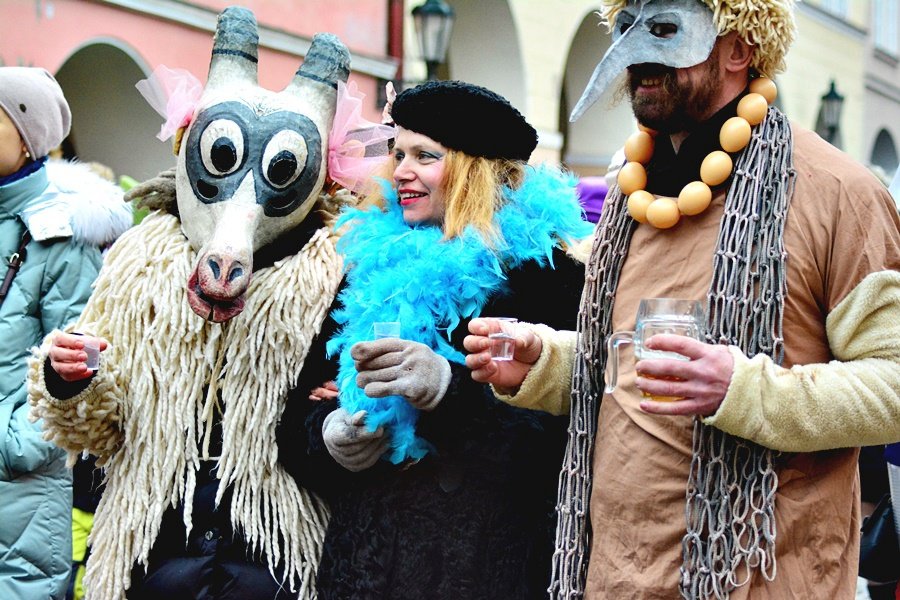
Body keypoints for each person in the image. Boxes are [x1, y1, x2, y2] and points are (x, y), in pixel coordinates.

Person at [464, 1, 900, 598]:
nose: (635, 54)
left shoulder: (840, 192)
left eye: (665, 30)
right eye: (626, 28)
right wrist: (543, 361)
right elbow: (626, 365)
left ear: (738, 51)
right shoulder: (630, 192)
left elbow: (894, 385)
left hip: (758, 577)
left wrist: (743, 391)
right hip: (615, 576)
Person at [27, 10, 369, 599]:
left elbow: (334, 429)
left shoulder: (335, 276)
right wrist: (72, 379)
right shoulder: (139, 265)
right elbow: (99, 433)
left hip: (274, 562)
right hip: (153, 554)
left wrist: (342, 417)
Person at [292, 79, 594, 599]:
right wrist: (328, 436)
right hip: (365, 566)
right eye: (398, 152)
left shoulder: (546, 278)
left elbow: (554, 445)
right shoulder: (370, 266)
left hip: (482, 568)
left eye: (424, 155)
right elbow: (300, 408)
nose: (401, 171)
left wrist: (444, 390)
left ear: (476, 172)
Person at [0, 67, 132, 600]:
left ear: (26, 136)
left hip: (22, 494)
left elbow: (81, 365)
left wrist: (13, 447)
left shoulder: (61, 236)